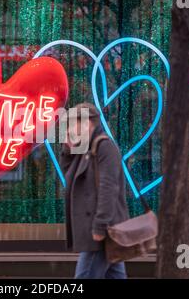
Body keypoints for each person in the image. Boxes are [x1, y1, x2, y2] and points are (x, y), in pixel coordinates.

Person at [60, 102, 129, 279]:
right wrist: (68, 149)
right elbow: (69, 176)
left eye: (74, 123)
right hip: (97, 229)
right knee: (115, 275)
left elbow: (109, 189)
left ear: (88, 123)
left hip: (102, 230)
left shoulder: (104, 147)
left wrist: (100, 226)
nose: (70, 128)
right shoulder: (86, 148)